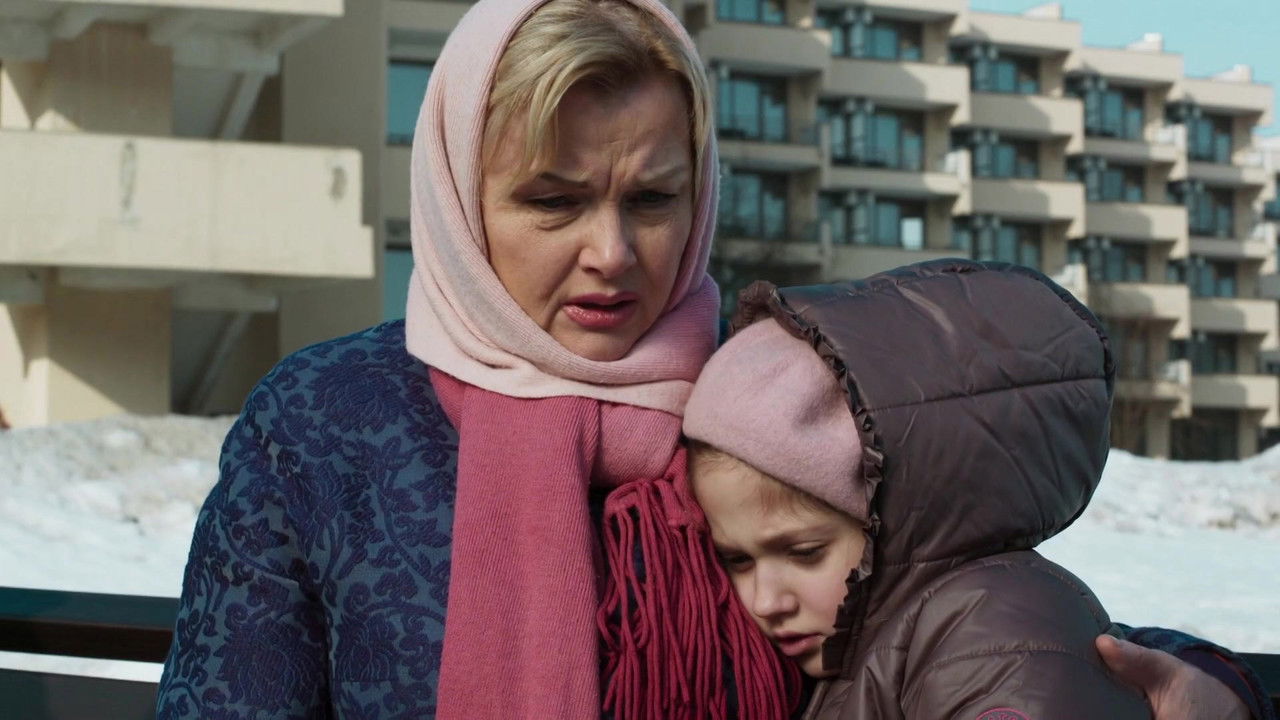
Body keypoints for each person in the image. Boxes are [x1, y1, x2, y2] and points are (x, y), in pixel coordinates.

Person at [155, 0, 1270, 717]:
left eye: (652, 199)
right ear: (457, 196)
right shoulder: (324, 422)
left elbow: (963, 596)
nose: (612, 254)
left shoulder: (770, 392)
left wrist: (1203, 678)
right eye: (552, 201)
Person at [683, 262, 1275, 720]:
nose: (766, 601)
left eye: (805, 552)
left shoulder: (995, 633)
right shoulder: (874, 634)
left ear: (898, 516)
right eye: (737, 560)